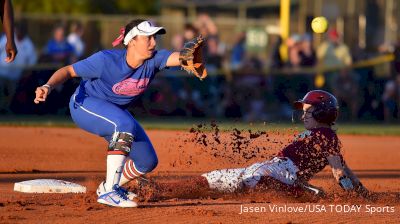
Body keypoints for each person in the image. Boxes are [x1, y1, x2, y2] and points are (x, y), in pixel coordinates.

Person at [33, 19, 206, 208]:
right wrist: (47, 86)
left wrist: (188, 57)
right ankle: (110, 191)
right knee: (124, 124)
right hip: (84, 105)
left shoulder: (153, 60)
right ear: (132, 40)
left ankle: (107, 185)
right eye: (147, 38)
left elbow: (177, 57)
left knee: (147, 162)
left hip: (115, 114)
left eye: (154, 37)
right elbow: (68, 70)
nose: (153, 42)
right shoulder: (105, 60)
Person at [157, 90, 368, 197]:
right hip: (270, 169)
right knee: (211, 178)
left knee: (244, 180)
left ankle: (304, 191)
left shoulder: (326, 135)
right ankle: (159, 191)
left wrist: (352, 193)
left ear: (322, 112)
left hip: (279, 172)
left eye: (308, 111)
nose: (303, 116)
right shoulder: (322, 137)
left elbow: (340, 173)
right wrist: (361, 193)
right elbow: (345, 171)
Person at [0, 22, 37, 113]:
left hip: (16, 76)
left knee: (12, 95)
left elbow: (32, 62)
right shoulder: (7, 38)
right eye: (17, 29)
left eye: (21, 30)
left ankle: (6, 110)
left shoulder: (28, 44)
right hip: (2, 72)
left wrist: (24, 74)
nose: (19, 32)